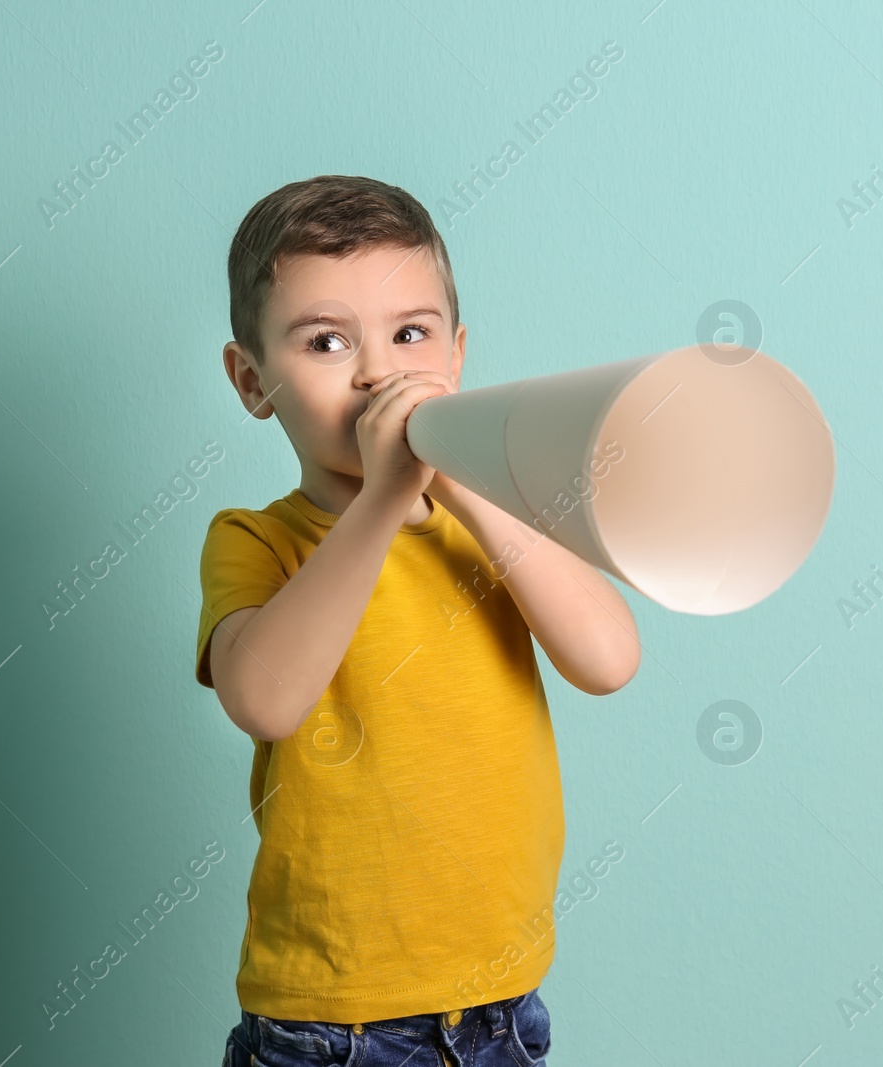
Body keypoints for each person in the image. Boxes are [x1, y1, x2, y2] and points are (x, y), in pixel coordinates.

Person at [195, 174, 642, 1066]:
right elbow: (266, 699)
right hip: (331, 1019)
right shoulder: (257, 539)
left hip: (498, 1005)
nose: (378, 372)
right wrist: (380, 502)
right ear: (253, 382)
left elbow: (609, 658)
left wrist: (471, 487)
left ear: (457, 356)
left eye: (410, 334)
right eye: (326, 341)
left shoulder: (497, 523)